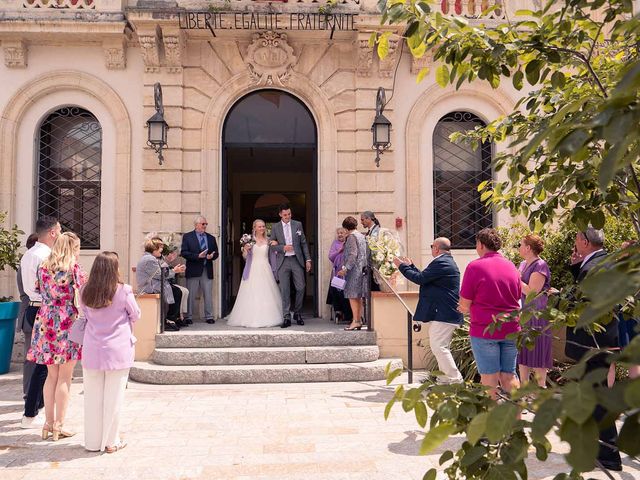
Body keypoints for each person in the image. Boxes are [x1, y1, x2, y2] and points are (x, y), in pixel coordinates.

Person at [566, 227, 621, 471]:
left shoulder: (592, 268)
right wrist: (576, 268)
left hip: (592, 342)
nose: (575, 244)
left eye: (577, 240)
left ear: (586, 242)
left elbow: (585, 304)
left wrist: (562, 300)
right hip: (604, 338)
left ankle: (609, 453)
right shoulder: (606, 262)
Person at [80, 251, 141, 453]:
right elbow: (136, 314)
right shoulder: (123, 291)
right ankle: (110, 441)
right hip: (117, 349)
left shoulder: (85, 291)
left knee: (92, 399)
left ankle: (92, 441)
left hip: (92, 348)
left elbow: (85, 314)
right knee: (114, 398)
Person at [27, 232, 84, 441]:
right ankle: (59, 425)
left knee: (51, 375)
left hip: (45, 320)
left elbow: (38, 290)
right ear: (72, 248)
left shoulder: (43, 267)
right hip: (66, 320)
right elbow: (84, 292)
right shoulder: (73, 269)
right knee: (64, 377)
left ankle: (47, 424)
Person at [458, 228, 521, 399]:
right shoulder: (511, 266)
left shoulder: (475, 266)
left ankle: (491, 422)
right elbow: (517, 296)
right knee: (510, 375)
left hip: (485, 330)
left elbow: (464, 303)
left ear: (480, 244)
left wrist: (463, 308)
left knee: (489, 377)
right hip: (511, 328)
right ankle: (517, 418)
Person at [394, 237, 463, 384]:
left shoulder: (442, 262)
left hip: (445, 312)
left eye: (432, 246)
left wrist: (402, 266)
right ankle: (445, 379)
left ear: (436, 248)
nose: (431, 248)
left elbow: (420, 279)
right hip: (443, 312)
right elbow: (425, 278)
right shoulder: (443, 262)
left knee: (439, 347)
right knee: (439, 346)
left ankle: (454, 379)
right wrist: (411, 266)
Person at [19, 216, 61, 429]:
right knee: (44, 363)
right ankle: (33, 409)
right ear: (53, 232)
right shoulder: (47, 255)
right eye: (59, 231)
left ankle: (35, 405)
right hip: (44, 309)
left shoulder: (28, 254)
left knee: (37, 361)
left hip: (33, 307)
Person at [227, 219, 283, 328]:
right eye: (259, 226)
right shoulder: (249, 241)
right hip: (252, 268)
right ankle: (250, 317)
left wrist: (276, 244)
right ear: (254, 228)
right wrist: (246, 250)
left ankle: (269, 316)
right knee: (252, 292)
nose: (262, 228)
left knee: (266, 292)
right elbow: (244, 257)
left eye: (263, 226)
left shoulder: (269, 240)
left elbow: (275, 254)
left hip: (266, 268)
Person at [516, 234, 552, 387]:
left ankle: (540, 388)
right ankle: (524, 389)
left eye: (521, 244)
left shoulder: (540, 265)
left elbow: (532, 292)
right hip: (524, 312)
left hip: (537, 312)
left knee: (538, 348)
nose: (519, 247)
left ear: (528, 248)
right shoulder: (523, 264)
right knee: (523, 350)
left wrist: (516, 278)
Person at [269, 204, 312, 328]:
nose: (288, 216)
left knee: (301, 287)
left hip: (296, 260)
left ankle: (297, 313)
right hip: (283, 261)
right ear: (280, 215)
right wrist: (283, 247)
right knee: (285, 290)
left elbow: (303, 243)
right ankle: (286, 316)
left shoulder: (298, 225)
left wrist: (308, 259)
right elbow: (272, 246)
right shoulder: (275, 227)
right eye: (285, 215)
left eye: (289, 214)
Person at [136, 237, 186, 331]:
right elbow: (159, 275)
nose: (162, 250)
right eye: (160, 248)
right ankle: (168, 320)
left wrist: (173, 270)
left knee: (176, 291)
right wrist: (175, 271)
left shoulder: (151, 258)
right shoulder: (149, 259)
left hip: (154, 285)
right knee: (176, 291)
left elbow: (162, 271)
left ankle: (171, 319)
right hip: (149, 288)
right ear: (154, 248)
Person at [181, 216, 219, 324]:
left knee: (208, 294)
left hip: (207, 270)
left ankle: (209, 316)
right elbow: (184, 252)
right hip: (193, 270)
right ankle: (188, 317)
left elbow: (216, 253)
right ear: (196, 224)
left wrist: (212, 256)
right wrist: (198, 256)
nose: (205, 226)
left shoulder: (211, 238)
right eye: (203, 224)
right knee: (191, 295)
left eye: (206, 224)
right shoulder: (188, 237)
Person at [15, 233, 38, 400]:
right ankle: (29, 392)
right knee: (31, 357)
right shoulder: (26, 265)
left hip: (33, 313)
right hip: (31, 312)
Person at [337, 216, 368, 331]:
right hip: (361, 270)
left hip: (354, 271)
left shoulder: (351, 237)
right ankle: (358, 320)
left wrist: (345, 268)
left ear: (345, 228)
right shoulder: (361, 235)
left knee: (352, 296)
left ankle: (355, 321)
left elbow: (353, 254)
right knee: (357, 297)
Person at [326, 227, 352, 323]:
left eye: (342, 233)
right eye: (338, 233)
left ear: (346, 234)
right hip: (337, 274)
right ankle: (339, 311)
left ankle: (349, 315)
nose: (340, 235)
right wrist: (339, 251)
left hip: (348, 274)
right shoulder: (335, 243)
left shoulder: (349, 243)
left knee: (347, 293)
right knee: (336, 292)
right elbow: (330, 257)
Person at [361, 211, 381, 292]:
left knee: (374, 292)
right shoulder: (370, 231)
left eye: (362, 220)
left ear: (368, 219)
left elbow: (374, 249)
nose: (361, 222)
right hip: (370, 268)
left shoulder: (376, 232)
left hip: (374, 268)